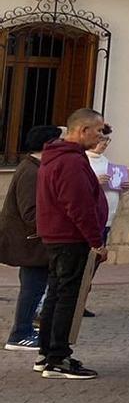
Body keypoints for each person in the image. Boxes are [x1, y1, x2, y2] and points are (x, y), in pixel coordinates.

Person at [35, 107, 112, 380]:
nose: (102, 135)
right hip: (70, 238)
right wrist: (96, 241)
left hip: (60, 237)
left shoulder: (59, 157)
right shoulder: (70, 162)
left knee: (57, 292)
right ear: (82, 130)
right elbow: (78, 206)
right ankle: (57, 356)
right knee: (67, 295)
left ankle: (48, 352)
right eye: (99, 129)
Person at [2, 124, 58, 351]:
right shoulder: (31, 171)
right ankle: (20, 333)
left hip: (33, 242)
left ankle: (25, 328)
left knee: (34, 287)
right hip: (30, 243)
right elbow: (30, 212)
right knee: (32, 288)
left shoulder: (36, 167)